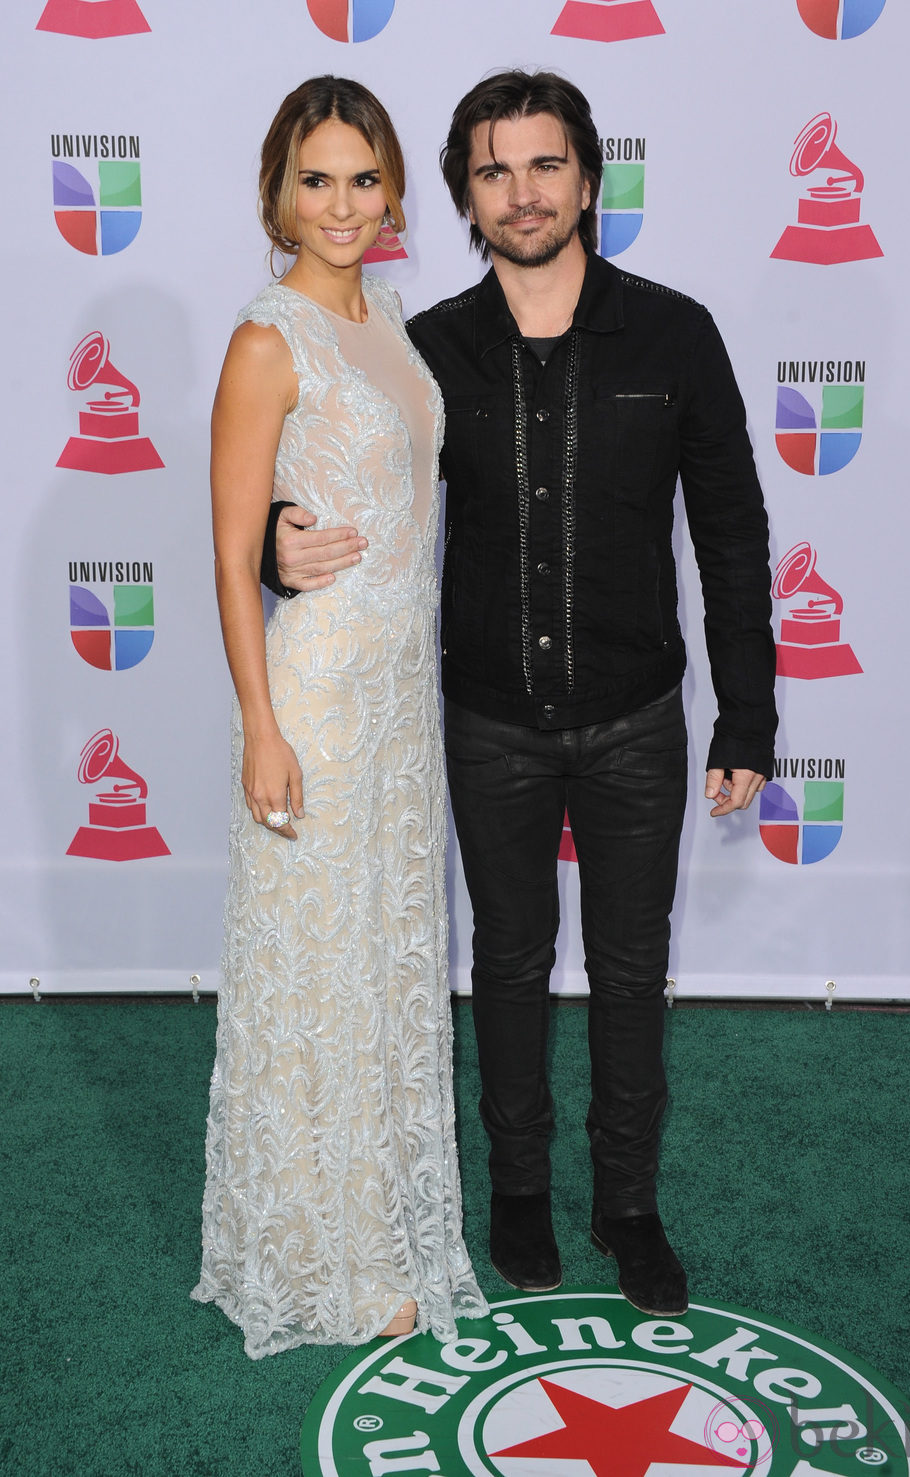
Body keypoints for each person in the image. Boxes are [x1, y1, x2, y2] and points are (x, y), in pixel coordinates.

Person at [263, 70, 777, 1319]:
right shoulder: (423, 348)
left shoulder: (675, 333)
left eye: (543, 165)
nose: (522, 191)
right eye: (493, 171)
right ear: (462, 198)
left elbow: (730, 533)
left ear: (588, 181)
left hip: (638, 717)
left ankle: (627, 1205)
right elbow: (333, 468)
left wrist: (747, 712)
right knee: (502, 957)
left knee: (630, 964)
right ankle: (514, 1195)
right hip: (484, 718)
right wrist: (271, 543)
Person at [191, 75, 486, 1359]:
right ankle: (323, 1251)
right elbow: (223, 549)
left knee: (382, 966)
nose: (342, 204)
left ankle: (387, 1222)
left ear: (395, 192)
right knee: (314, 973)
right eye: (315, 179)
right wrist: (261, 720)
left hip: (399, 711)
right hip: (313, 697)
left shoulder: (395, 321)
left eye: (363, 177)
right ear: (275, 194)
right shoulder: (267, 340)